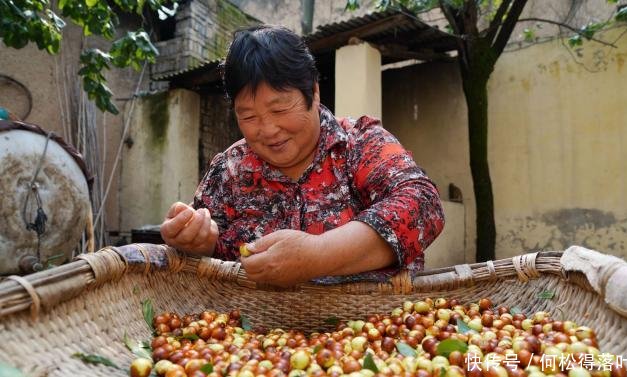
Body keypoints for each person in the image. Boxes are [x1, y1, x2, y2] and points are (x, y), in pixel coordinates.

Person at [160, 25, 444, 287]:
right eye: (248, 116)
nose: (268, 130)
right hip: (251, 334)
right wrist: (196, 240)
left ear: (314, 92)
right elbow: (204, 257)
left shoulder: (359, 145)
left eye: (280, 109)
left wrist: (317, 254)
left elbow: (424, 205)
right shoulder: (229, 170)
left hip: (369, 329)